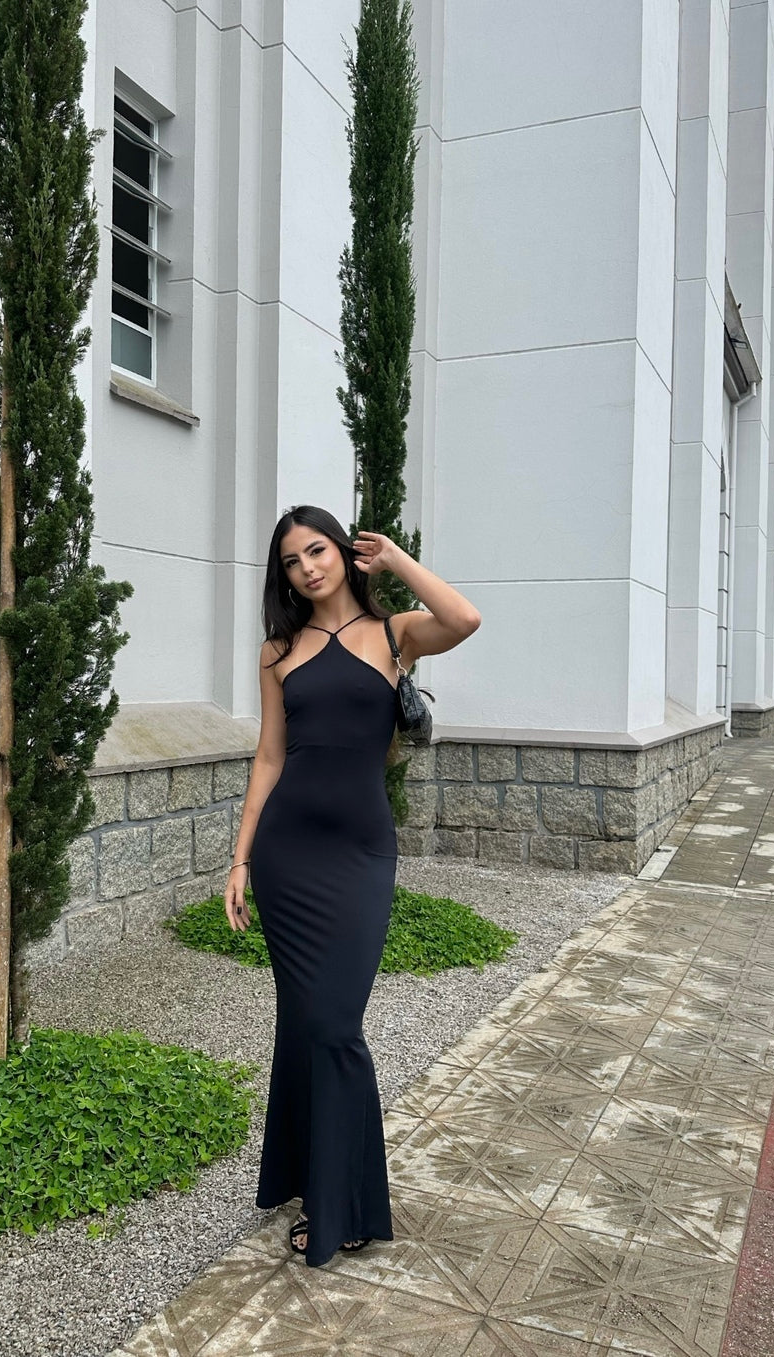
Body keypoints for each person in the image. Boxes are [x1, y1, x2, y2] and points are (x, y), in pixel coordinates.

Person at [224, 505, 480, 1267]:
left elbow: (464, 618)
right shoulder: (278, 650)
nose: (307, 567)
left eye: (317, 550)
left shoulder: (395, 634)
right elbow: (269, 757)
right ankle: (321, 1190)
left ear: (341, 551)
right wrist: (240, 859)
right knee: (307, 1023)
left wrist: (395, 558)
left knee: (335, 1025)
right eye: (292, 560)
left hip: (363, 853)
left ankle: (342, 1196)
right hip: (288, 854)